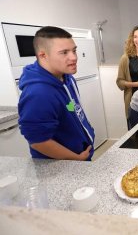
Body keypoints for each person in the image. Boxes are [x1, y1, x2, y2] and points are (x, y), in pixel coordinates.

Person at [18, 26, 95, 161]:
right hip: (61, 166)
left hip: (79, 158)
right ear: (43, 55)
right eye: (64, 52)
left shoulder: (66, 77)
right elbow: (38, 141)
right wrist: (76, 158)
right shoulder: (38, 93)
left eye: (74, 50)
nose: (74, 57)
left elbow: (71, 108)